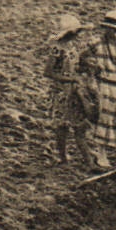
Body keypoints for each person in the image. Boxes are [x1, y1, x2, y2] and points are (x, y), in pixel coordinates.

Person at [79, 9, 116, 169]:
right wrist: (92, 68)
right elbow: (82, 58)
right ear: (105, 28)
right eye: (110, 29)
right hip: (105, 86)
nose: (112, 32)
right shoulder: (97, 43)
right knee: (104, 120)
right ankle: (102, 155)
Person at [40, 14, 92, 166]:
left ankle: (84, 159)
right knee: (62, 126)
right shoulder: (57, 49)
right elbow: (48, 72)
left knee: (78, 124)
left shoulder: (71, 47)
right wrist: (70, 79)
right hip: (61, 91)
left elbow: (75, 66)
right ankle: (63, 158)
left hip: (73, 90)